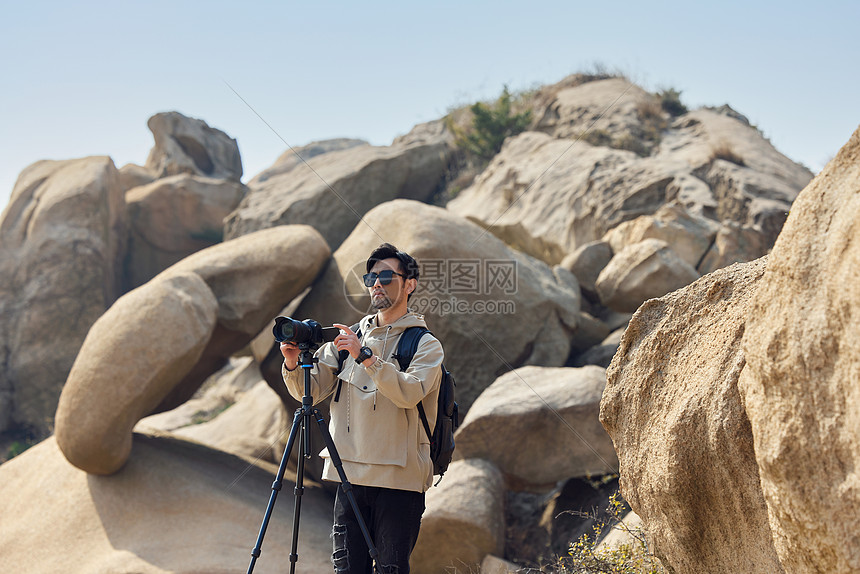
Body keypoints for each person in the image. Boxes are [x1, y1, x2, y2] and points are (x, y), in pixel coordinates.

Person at [281, 242, 444, 574]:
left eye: (387, 276)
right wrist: (293, 364)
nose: (377, 284)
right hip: (349, 476)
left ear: (409, 284)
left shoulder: (425, 344)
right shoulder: (348, 338)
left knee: (391, 569)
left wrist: (367, 358)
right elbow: (307, 393)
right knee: (347, 570)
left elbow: (409, 393)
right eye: (371, 277)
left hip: (400, 480)